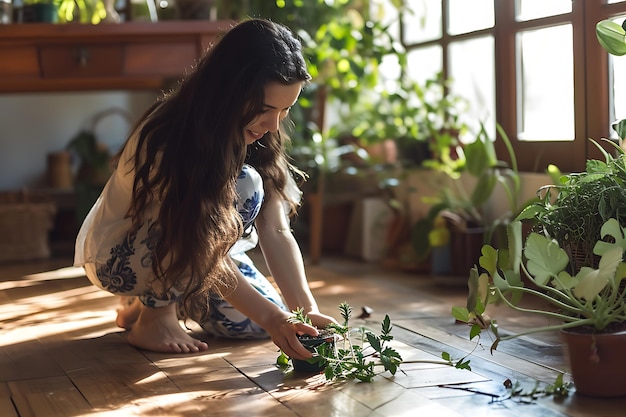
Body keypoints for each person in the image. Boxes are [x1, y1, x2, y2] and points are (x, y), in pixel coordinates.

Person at [73, 18, 337, 360]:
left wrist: (303, 310)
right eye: (265, 110)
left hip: (197, 251)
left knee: (252, 325)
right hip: (123, 257)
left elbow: (275, 229)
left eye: (284, 110)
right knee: (247, 186)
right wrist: (275, 319)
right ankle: (154, 316)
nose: (273, 124)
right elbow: (193, 236)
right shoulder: (169, 135)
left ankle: (144, 304)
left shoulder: (256, 133)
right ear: (229, 91)